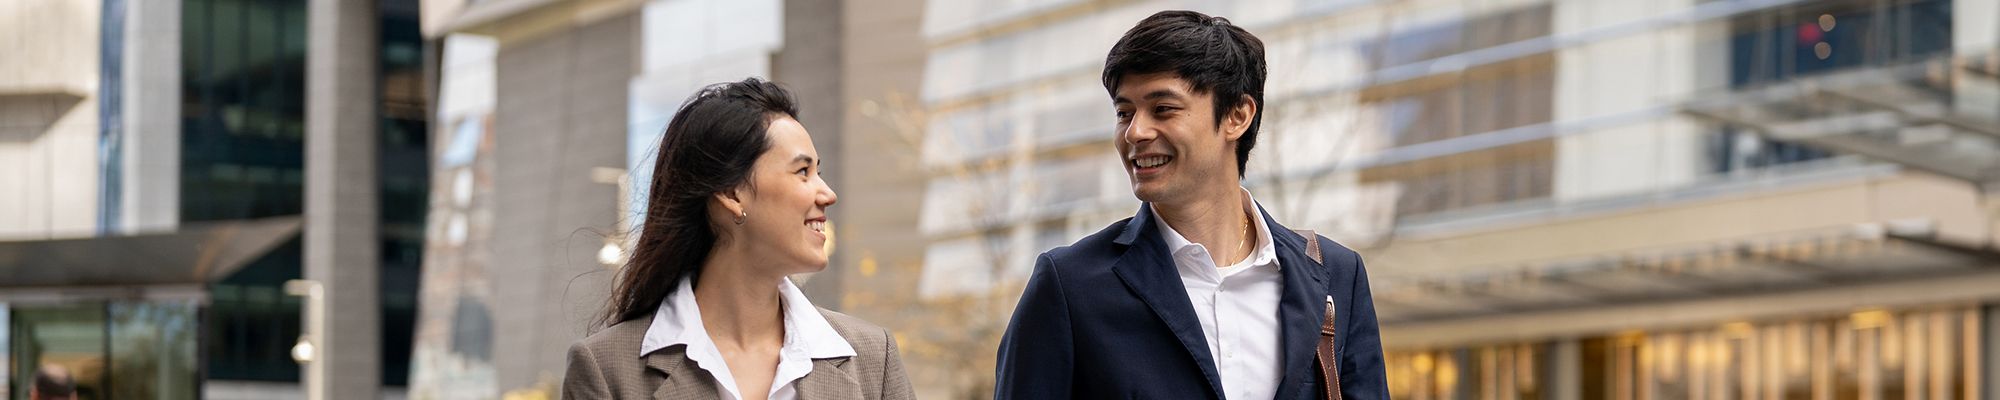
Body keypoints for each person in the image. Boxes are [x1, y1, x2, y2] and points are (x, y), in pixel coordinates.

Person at [994, 10, 1388, 399]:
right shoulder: (1069, 286)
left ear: (1237, 116)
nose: (1135, 132)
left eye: (1163, 109)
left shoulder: (1337, 275)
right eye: (1124, 113)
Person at [565, 78, 913, 400]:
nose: (828, 194)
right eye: (802, 172)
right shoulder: (606, 369)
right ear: (732, 192)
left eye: (817, 172)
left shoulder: (872, 359)